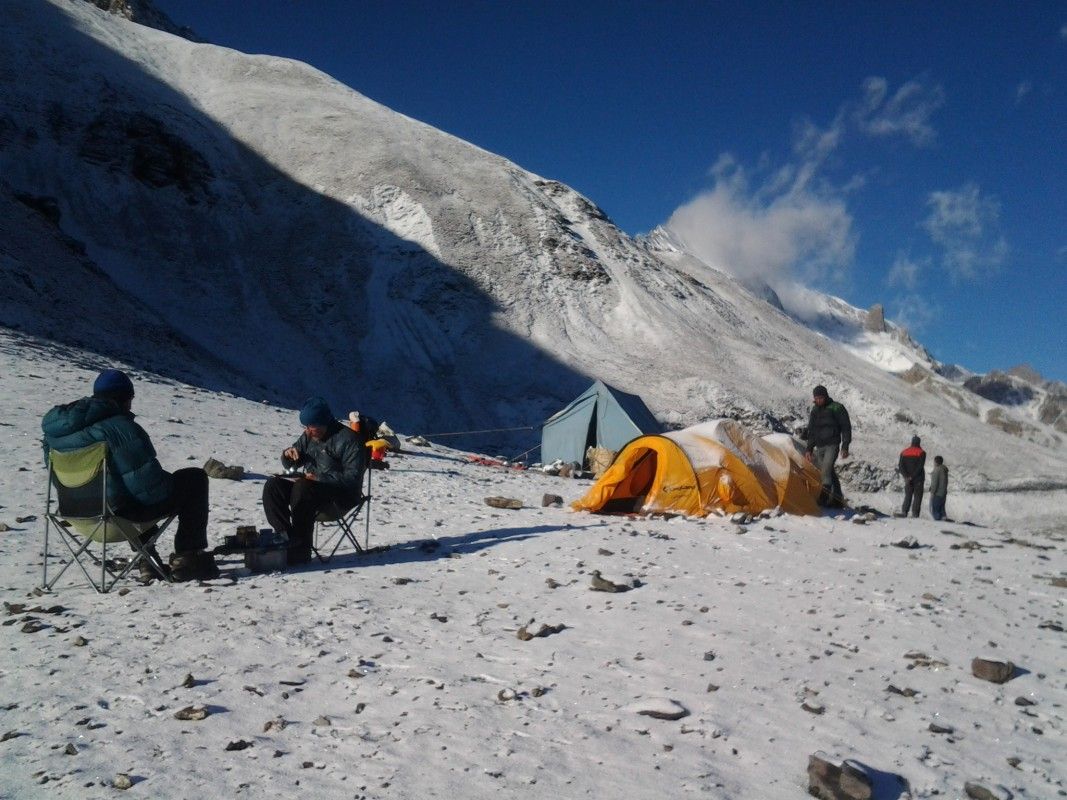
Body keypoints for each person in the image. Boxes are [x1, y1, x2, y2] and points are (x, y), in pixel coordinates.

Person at [41, 369, 219, 581]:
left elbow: (58, 481)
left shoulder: (54, 435)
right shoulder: (121, 429)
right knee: (193, 479)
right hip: (116, 521)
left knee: (125, 492)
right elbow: (151, 490)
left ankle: (148, 561)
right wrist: (171, 484)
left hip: (79, 518)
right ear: (124, 398)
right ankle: (188, 558)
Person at [262, 397, 367, 565]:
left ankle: (301, 550)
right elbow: (295, 460)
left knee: (302, 487)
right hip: (309, 490)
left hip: (340, 496)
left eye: (312, 427)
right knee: (273, 486)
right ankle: (285, 537)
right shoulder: (309, 436)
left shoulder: (350, 440)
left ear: (325, 422)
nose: (309, 431)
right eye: (306, 427)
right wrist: (288, 455)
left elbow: (352, 479)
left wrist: (318, 478)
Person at [804, 384, 851, 508]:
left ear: (826, 396)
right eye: (816, 398)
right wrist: (809, 448)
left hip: (832, 444)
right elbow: (812, 431)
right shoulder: (814, 411)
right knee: (828, 471)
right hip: (819, 446)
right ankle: (838, 499)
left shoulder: (837, 408)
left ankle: (823, 498)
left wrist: (845, 446)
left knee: (825, 469)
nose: (819, 400)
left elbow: (846, 427)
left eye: (821, 397)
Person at [897, 435, 926, 518]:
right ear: (919, 442)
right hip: (918, 478)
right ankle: (915, 514)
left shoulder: (904, 452)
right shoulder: (921, 452)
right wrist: (912, 476)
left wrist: (906, 476)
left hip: (907, 479)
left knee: (908, 495)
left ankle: (904, 512)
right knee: (917, 496)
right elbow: (920, 466)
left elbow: (900, 466)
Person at [929, 455, 949, 521]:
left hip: (937, 493)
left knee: (936, 510)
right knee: (942, 508)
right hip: (943, 493)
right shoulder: (944, 469)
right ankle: (944, 518)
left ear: (935, 462)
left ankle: (938, 523)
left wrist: (932, 492)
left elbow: (935, 483)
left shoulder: (937, 470)